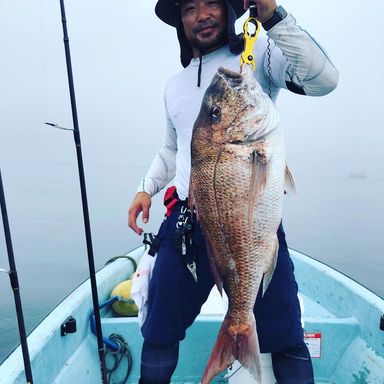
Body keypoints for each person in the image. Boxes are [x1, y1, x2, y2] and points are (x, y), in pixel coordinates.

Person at [128, 0, 338, 383]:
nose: (202, 14)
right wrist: (146, 189)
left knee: (286, 337)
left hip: (249, 222)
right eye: (190, 7)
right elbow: (172, 148)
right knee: (158, 332)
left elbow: (323, 80)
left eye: (212, 2)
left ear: (229, 8)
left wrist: (273, 17)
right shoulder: (174, 87)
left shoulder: (258, 53)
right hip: (186, 226)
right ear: (179, 20)